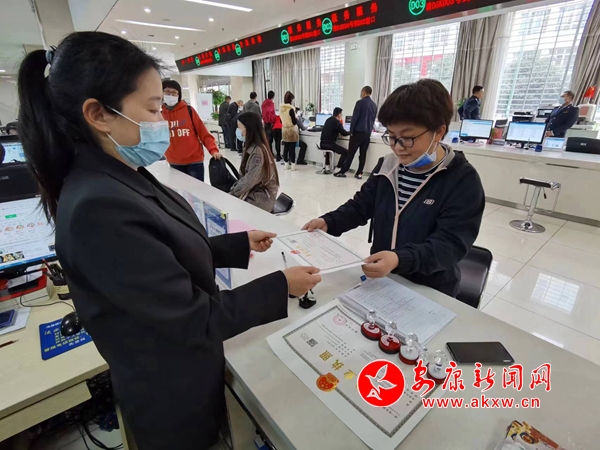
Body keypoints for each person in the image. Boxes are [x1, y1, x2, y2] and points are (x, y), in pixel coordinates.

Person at [17, 31, 321, 450]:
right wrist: (281, 285)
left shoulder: (119, 174)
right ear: (98, 114)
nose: (162, 121)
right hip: (171, 396)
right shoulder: (98, 208)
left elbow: (159, 254)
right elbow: (191, 319)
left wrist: (237, 244)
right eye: (152, 108)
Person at [303, 79, 485, 298]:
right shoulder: (388, 166)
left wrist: (400, 259)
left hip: (431, 288)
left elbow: (449, 245)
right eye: (391, 136)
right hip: (384, 280)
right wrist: (329, 221)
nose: (398, 148)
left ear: (438, 132)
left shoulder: (462, 180)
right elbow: (361, 206)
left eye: (407, 138)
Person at [161, 79, 221, 182]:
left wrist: (213, 150)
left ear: (179, 95)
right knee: (179, 191)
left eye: (174, 92)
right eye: (167, 92)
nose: (171, 95)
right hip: (174, 162)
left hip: (194, 162)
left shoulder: (189, 110)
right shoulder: (160, 115)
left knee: (197, 191)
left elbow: (203, 132)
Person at [230, 112, 280, 212]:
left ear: (248, 129)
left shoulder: (257, 152)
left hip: (262, 197)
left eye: (239, 127)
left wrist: (232, 192)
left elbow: (250, 180)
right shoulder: (252, 147)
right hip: (255, 191)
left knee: (232, 208)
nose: (238, 131)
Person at [337, 86, 377, 179]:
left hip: (357, 133)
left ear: (363, 92)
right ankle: (359, 173)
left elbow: (355, 118)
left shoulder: (360, 103)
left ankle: (343, 171)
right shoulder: (374, 105)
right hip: (367, 134)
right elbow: (373, 120)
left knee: (350, 153)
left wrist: (351, 131)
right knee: (363, 154)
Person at [320, 107, 350, 173]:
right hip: (330, 144)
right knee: (346, 152)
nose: (342, 115)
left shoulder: (328, 120)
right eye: (341, 114)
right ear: (339, 114)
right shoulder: (337, 122)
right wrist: (351, 132)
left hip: (322, 144)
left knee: (327, 151)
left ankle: (327, 166)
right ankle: (338, 167)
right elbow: (344, 133)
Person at [280, 91, 299, 171]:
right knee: (292, 148)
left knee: (286, 148)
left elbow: (281, 120)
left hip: (284, 130)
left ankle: (286, 165)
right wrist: (296, 117)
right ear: (291, 100)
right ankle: (293, 166)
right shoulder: (291, 109)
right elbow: (294, 122)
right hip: (291, 130)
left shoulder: (281, 109)